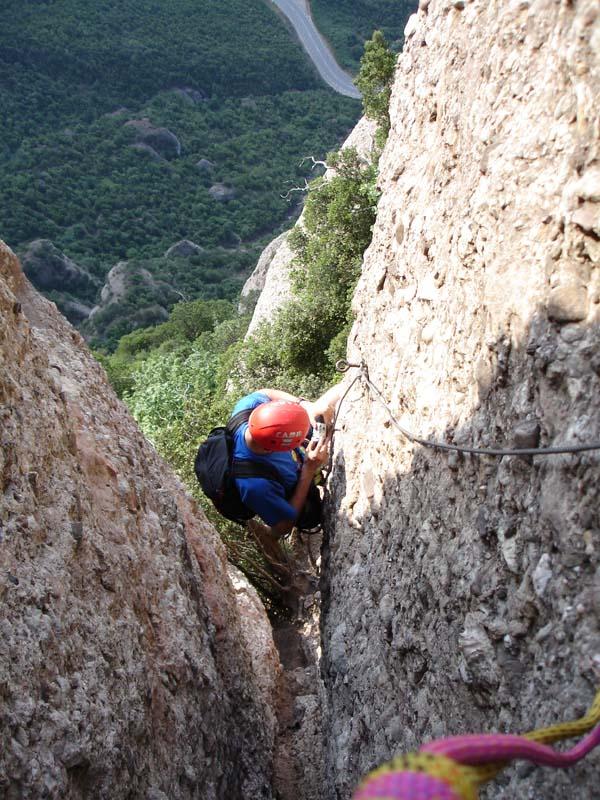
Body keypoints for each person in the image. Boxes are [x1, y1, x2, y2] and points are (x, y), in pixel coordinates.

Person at [229, 385, 343, 538]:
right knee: (310, 515)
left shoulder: (246, 411)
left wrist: (305, 406)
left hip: (298, 462)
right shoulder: (255, 486)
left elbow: (265, 393)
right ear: (277, 448)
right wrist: (308, 470)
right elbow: (283, 526)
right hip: (297, 490)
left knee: (321, 409)